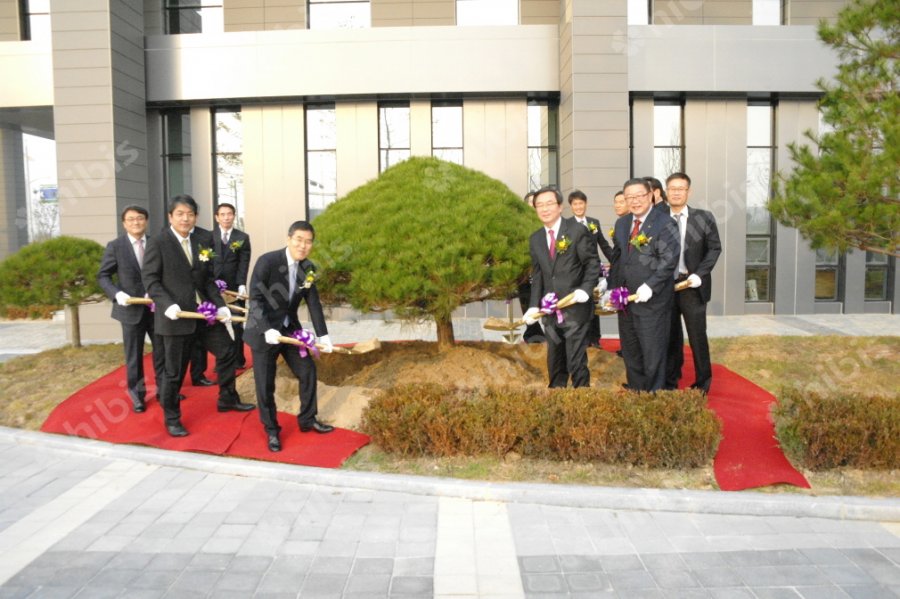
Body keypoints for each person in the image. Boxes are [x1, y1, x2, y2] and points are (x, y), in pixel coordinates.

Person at [142, 195, 255, 437]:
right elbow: (150, 280)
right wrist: (166, 304)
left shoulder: (204, 238)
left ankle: (227, 398)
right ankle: (172, 418)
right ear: (170, 216)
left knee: (228, 352)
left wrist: (220, 305)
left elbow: (208, 279)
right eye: (180, 214)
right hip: (176, 316)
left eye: (190, 214)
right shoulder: (159, 242)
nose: (185, 218)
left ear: (196, 216)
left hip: (204, 314)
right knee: (174, 372)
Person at [243, 221, 335, 452]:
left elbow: (313, 302)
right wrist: (267, 329)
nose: (303, 246)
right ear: (288, 239)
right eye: (299, 240)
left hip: (288, 329)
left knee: (307, 370)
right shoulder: (268, 262)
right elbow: (256, 299)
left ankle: (307, 419)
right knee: (265, 384)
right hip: (263, 330)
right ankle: (272, 430)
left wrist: (323, 336)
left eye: (308, 241)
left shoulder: (308, 268)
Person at [523, 186, 601, 388]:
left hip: (575, 306)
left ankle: (581, 398)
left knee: (575, 357)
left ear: (559, 206)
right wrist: (533, 305)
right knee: (555, 357)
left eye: (549, 203)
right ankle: (557, 398)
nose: (544, 208)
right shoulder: (536, 238)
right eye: (539, 205)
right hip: (550, 309)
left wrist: (585, 289)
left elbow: (592, 263)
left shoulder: (576, 230)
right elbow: (538, 274)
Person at [608, 178, 680, 391]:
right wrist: (611, 289)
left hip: (653, 302)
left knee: (652, 351)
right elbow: (619, 259)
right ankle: (637, 391)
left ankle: (653, 397)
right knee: (631, 350)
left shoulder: (665, 223)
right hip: (627, 302)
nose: (635, 201)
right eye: (629, 197)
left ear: (651, 196)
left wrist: (651, 285)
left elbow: (669, 260)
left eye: (639, 195)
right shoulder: (622, 224)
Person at [97, 205, 165, 413]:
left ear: (146, 221)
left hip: (156, 309)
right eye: (131, 219)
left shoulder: (157, 243)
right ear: (124, 223)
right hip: (130, 310)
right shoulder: (115, 246)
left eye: (140, 218)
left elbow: (165, 272)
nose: (136, 222)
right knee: (134, 355)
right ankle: (137, 395)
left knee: (162, 352)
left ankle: (166, 391)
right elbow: (103, 276)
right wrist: (117, 294)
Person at [664, 172, 722, 394]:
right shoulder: (659, 219)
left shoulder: (703, 218)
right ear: (667, 191)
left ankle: (703, 383)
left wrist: (700, 273)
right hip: (667, 287)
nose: (676, 192)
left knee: (697, 336)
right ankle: (670, 380)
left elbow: (714, 248)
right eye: (672, 188)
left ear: (689, 192)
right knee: (669, 336)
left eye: (681, 188)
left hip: (692, 285)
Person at [568, 189, 614, 348]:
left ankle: (594, 338)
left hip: (592, 270)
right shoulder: (567, 225)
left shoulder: (593, 222)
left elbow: (603, 244)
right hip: (575, 272)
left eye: (581, 203)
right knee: (578, 305)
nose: (579, 206)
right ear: (571, 206)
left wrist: (616, 260)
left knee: (593, 305)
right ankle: (580, 338)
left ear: (586, 204)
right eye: (575, 204)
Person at [212, 203, 251, 369]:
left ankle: (238, 359)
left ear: (234, 216)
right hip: (213, 288)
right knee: (216, 324)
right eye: (222, 214)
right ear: (217, 217)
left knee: (236, 324)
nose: (226, 217)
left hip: (234, 288)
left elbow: (244, 262)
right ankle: (222, 360)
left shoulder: (242, 237)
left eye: (229, 214)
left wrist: (242, 283)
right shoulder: (208, 236)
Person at [518, 191, 545, 344]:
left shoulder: (545, 222)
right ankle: (533, 332)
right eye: (530, 203)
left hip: (543, 269)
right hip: (525, 271)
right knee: (527, 301)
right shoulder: (519, 224)